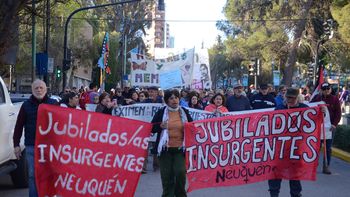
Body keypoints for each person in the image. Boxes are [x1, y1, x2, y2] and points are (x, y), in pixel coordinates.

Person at [13, 79, 57, 197]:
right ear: (32, 90)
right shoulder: (26, 105)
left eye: (41, 88)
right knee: (33, 175)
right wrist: (16, 145)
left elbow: (64, 123)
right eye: (36, 88)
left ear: (46, 89)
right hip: (32, 145)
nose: (39, 90)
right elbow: (18, 126)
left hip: (50, 147)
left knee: (50, 174)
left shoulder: (54, 104)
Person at [151, 89, 193, 197]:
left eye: (176, 97)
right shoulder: (161, 112)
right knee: (167, 177)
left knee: (180, 174)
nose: (174, 100)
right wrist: (160, 126)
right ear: (166, 101)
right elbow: (151, 128)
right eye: (171, 98)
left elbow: (193, 127)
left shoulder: (184, 112)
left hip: (180, 149)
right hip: (165, 150)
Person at [268, 87, 308, 197]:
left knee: (294, 174)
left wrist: (322, 113)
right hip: (280, 147)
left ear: (298, 98)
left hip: (296, 148)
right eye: (288, 97)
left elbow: (313, 121)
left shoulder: (304, 109)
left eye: (292, 98)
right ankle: (273, 193)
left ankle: (295, 194)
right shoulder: (280, 108)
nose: (290, 100)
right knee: (276, 172)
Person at [310, 82, 341, 174]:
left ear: (330, 89)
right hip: (318, 127)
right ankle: (313, 166)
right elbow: (310, 108)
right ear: (321, 90)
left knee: (328, 148)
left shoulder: (335, 100)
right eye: (324, 89)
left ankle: (326, 166)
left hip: (330, 128)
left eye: (328, 89)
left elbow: (338, 114)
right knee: (316, 147)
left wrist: (334, 124)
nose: (326, 91)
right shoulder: (317, 98)